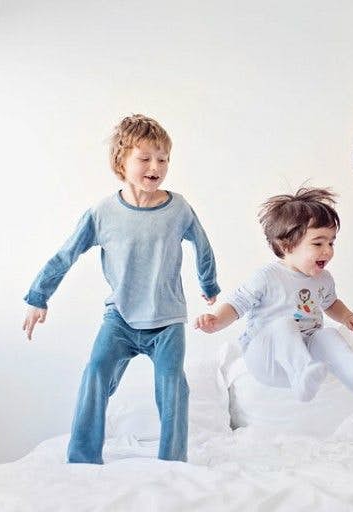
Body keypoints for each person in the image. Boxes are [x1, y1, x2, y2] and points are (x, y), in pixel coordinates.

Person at [22, 114, 219, 463]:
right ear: (121, 162)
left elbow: (202, 244)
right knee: (95, 374)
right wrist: (39, 296)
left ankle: (172, 463)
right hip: (120, 320)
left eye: (163, 159)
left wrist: (208, 282)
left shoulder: (178, 208)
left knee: (173, 387)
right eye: (145, 158)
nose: (155, 166)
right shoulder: (103, 212)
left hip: (167, 320)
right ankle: (82, 460)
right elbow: (66, 254)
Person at [195, 187, 353, 402]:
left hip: (306, 354)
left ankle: (351, 370)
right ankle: (300, 375)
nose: (328, 250)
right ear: (286, 245)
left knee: (327, 334)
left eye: (331, 242)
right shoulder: (267, 276)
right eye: (318, 243)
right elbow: (238, 304)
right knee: (284, 325)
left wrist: (348, 316)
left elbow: (331, 304)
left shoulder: (323, 278)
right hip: (266, 357)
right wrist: (217, 321)